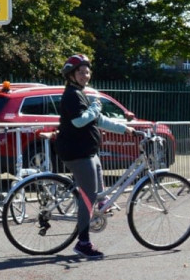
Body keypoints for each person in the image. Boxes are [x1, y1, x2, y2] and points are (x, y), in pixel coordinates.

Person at [54, 54, 132, 258]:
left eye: (87, 72)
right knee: (88, 197)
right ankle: (83, 242)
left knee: (97, 194)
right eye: (80, 72)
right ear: (71, 74)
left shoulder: (81, 93)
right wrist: (95, 107)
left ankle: (93, 216)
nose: (85, 75)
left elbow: (98, 119)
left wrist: (124, 129)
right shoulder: (72, 95)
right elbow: (79, 121)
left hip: (89, 151)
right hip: (77, 152)